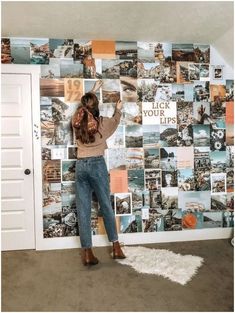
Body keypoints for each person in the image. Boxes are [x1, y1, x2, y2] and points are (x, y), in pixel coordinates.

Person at [72, 81, 126, 266]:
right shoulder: (103, 123)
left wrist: (92, 90)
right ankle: (116, 247)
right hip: (97, 164)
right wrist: (118, 109)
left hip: (80, 166)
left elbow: (82, 108)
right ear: (96, 106)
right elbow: (116, 121)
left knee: (83, 209)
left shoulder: (77, 122)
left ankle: (87, 253)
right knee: (105, 205)